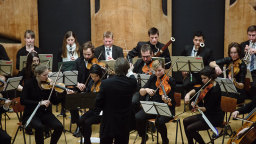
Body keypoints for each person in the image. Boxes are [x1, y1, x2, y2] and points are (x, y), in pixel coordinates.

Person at [94, 57, 137, 144]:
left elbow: (98, 103)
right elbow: (132, 76)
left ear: (115, 69)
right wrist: (130, 70)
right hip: (124, 122)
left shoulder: (106, 83)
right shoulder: (132, 82)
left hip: (108, 122)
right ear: (127, 69)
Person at [21, 64, 63, 144]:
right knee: (39, 127)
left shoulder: (48, 85)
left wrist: (63, 93)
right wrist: (39, 103)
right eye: (45, 75)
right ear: (37, 74)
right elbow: (23, 101)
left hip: (45, 113)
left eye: (48, 74)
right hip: (31, 114)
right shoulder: (28, 84)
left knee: (59, 127)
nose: (47, 77)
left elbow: (55, 101)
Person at [135, 60, 176, 144]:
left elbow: (172, 100)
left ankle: (165, 140)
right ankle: (143, 137)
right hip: (153, 107)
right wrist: (146, 89)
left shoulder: (170, 80)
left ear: (164, 69)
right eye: (155, 71)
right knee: (138, 117)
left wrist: (166, 100)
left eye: (160, 70)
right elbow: (141, 92)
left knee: (159, 121)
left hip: (167, 109)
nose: (157, 73)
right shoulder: (153, 77)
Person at [183, 66, 224, 144]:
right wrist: (188, 95)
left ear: (211, 77)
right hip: (206, 114)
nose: (202, 80)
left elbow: (207, 108)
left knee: (190, 129)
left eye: (204, 78)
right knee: (185, 121)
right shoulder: (207, 84)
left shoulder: (215, 90)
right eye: (201, 78)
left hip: (214, 117)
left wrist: (197, 107)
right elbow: (197, 89)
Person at [78, 64, 104, 144]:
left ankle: (87, 141)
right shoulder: (91, 82)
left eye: (95, 76)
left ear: (99, 75)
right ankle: (86, 138)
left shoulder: (104, 83)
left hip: (101, 112)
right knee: (80, 120)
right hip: (92, 110)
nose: (93, 78)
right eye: (91, 76)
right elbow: (87, 93)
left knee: (87, 122)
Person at [240, 25, 256, 99]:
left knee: (254, 87)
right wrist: (244, 52)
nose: (251, 37)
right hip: (246, 70)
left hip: (255, 70)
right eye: (249, 35)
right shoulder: (244, 44)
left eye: (253, 35)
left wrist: (255, 52)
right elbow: (239, 56)